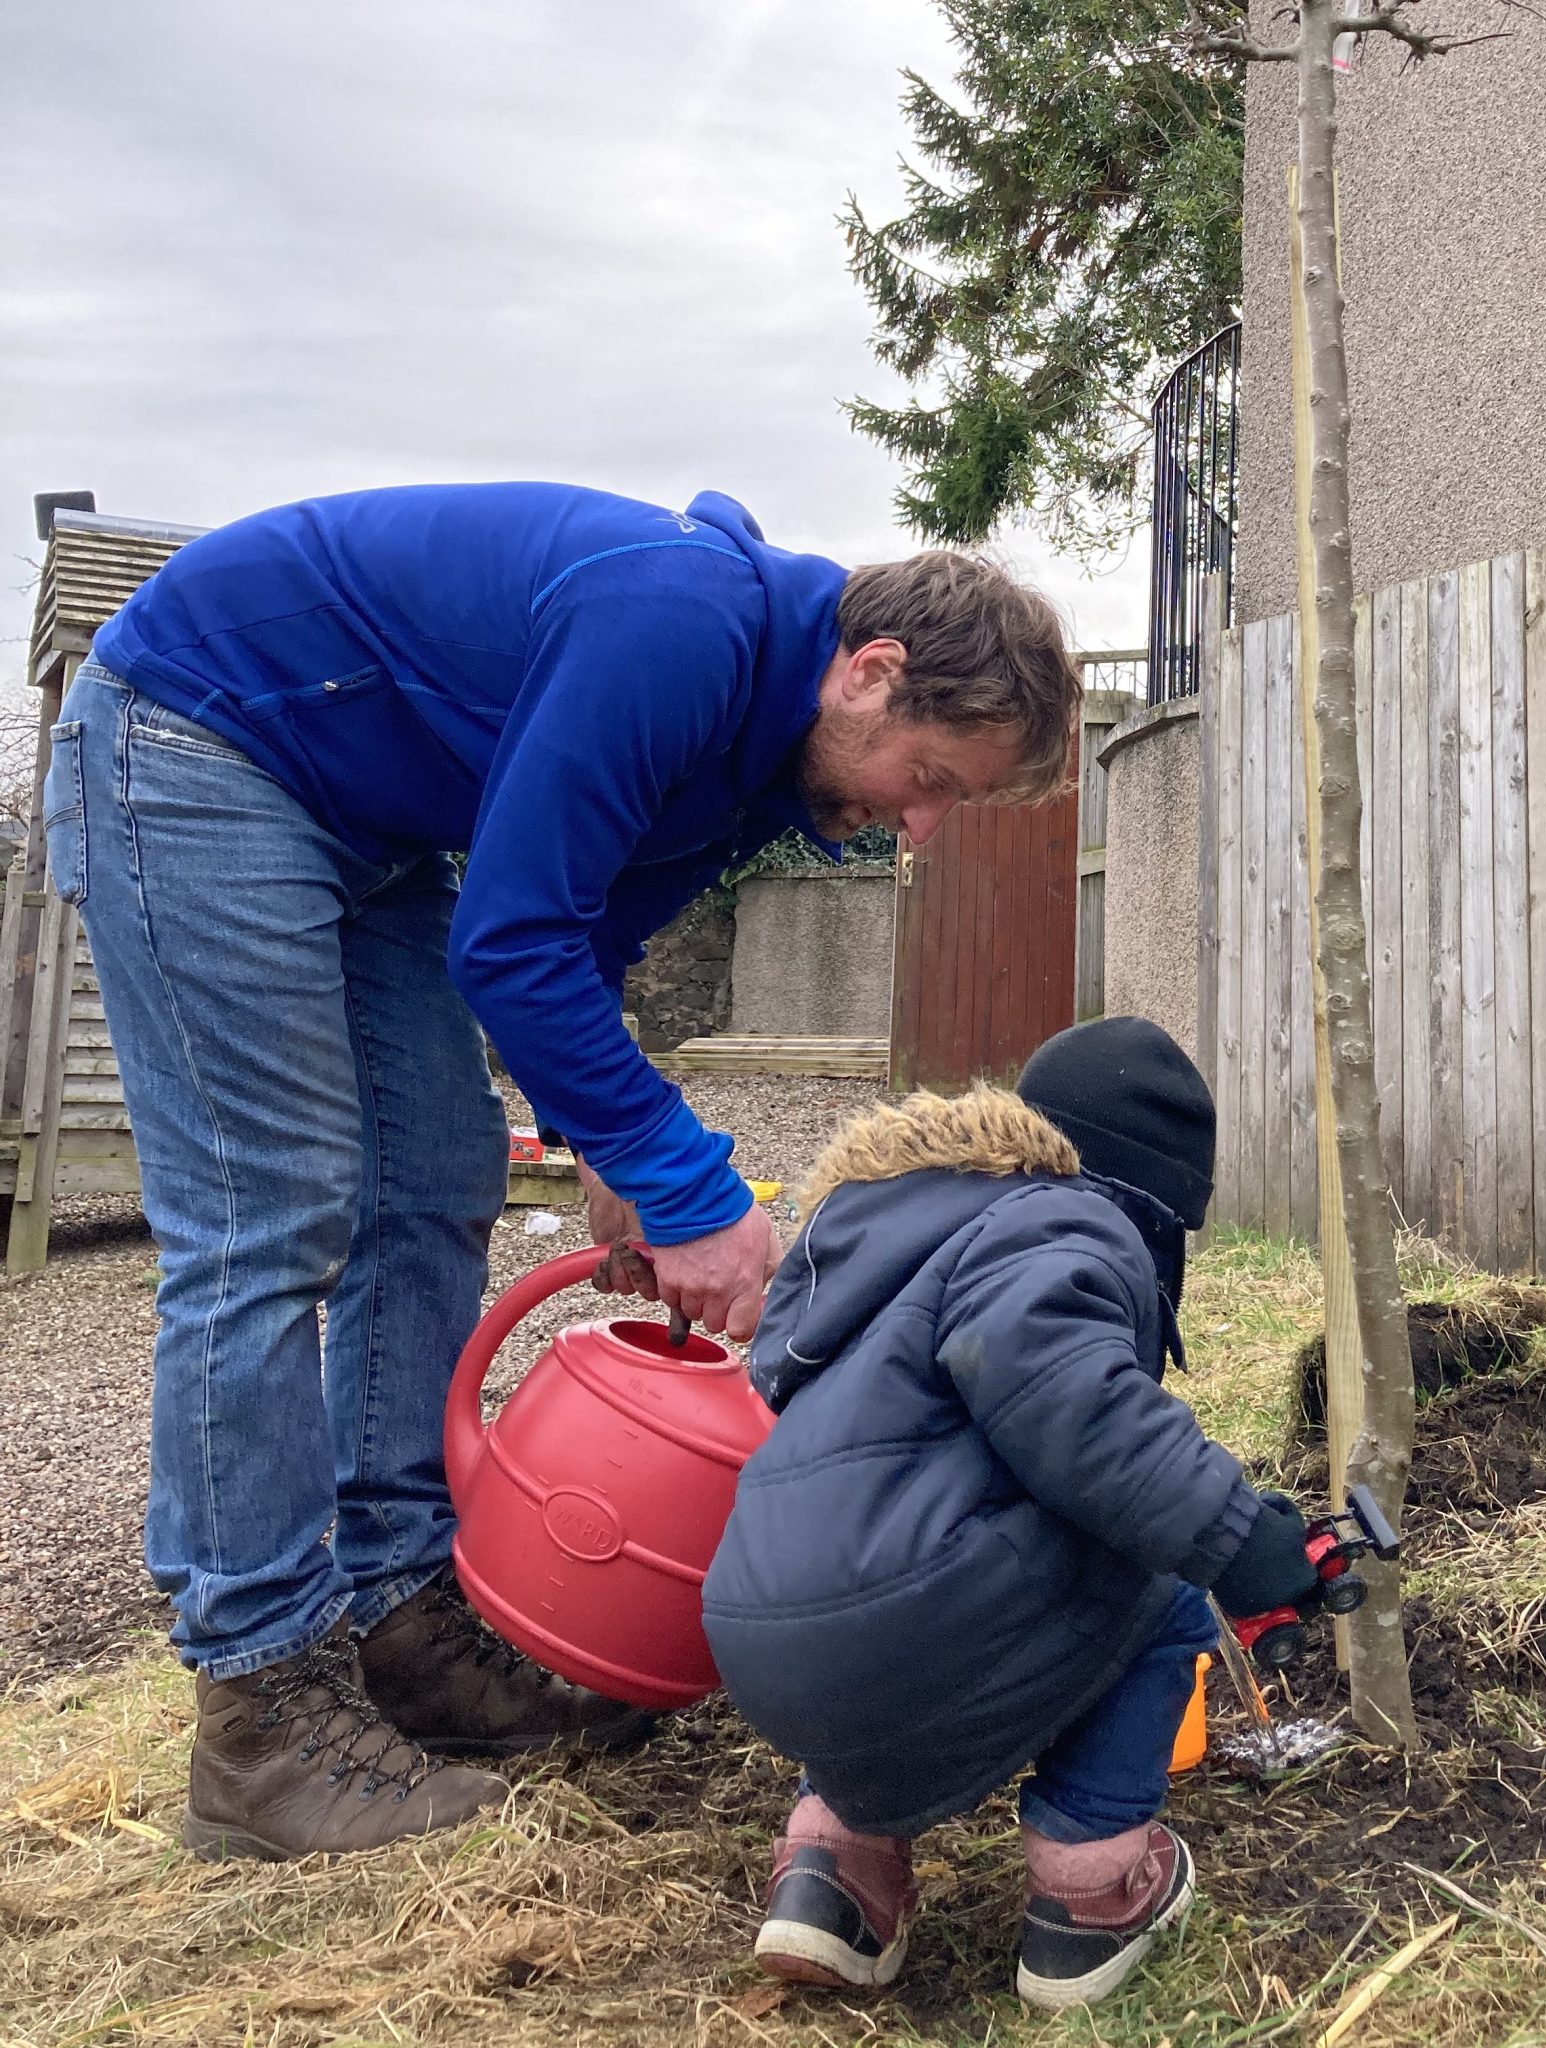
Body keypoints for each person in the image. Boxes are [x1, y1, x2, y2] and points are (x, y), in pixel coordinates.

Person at [45, 482, 1077, 1861]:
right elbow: (514, 938)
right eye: (934, 780)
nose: (923, 827)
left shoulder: (764, 761)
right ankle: (262, 1709)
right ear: (872, 674)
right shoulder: (680, 627)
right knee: (269, 1214)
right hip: (198, 735)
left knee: (431, 1184)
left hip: (368, 825)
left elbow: (577, 948)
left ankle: (400, 1615)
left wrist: (619, 1151)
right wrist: (697, 1194)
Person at [701, 1017, 1325, 2012]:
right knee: (1158, 1576)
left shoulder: (890, 1240)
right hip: (901, 1622)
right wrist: (1239, 1538)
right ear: (1146, 1196)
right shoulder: (1060, 1218)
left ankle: (831, 1869)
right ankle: (1091, 1889)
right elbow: (1072, 1407)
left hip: (763, 1636)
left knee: (886, 1575)